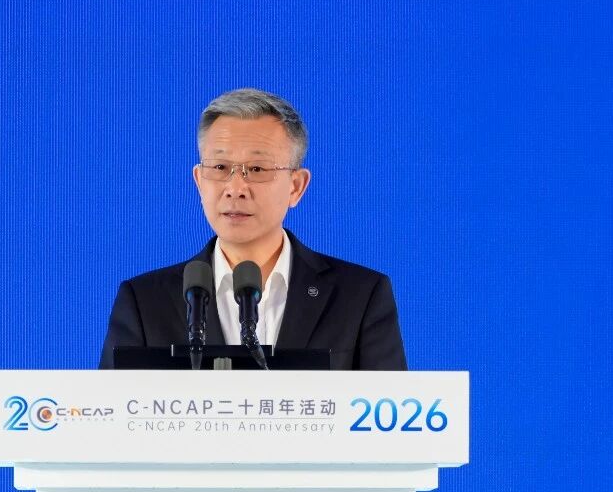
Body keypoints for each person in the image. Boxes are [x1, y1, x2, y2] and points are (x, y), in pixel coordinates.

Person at [99, 88, 406, 370]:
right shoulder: (144, 301)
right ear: (199, 181)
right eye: (220, 168)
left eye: (257, 169)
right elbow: (110, 410)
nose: (235, 188)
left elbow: (388, 408)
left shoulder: (359, 296)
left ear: (296, 187)